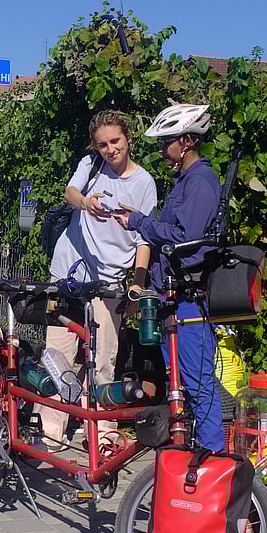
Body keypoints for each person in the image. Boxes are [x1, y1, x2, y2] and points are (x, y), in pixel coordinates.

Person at [40, 110, 159, 449]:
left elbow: (144, 240)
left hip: (108, 283)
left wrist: (137, 281)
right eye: (103, 144)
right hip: (67, 274)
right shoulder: (91, 164)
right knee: (59, 356)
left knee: (103, 358)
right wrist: (85, 202)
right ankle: (51, 434)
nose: (110, 149)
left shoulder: (144, 183)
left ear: (128, 138)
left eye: (115, 141)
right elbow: (70, 192)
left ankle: (102, 432)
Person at [114, 102, 225, 452]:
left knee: (198, 383)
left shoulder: (201, 181)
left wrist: (138, 222)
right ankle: (190, 450)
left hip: (189, 302)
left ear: (188, 141)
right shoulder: (185, 180)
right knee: (179, 383)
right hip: (170, 298)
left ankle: (213, 457)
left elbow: (186, 239)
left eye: (168, 142)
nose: (163, 149)